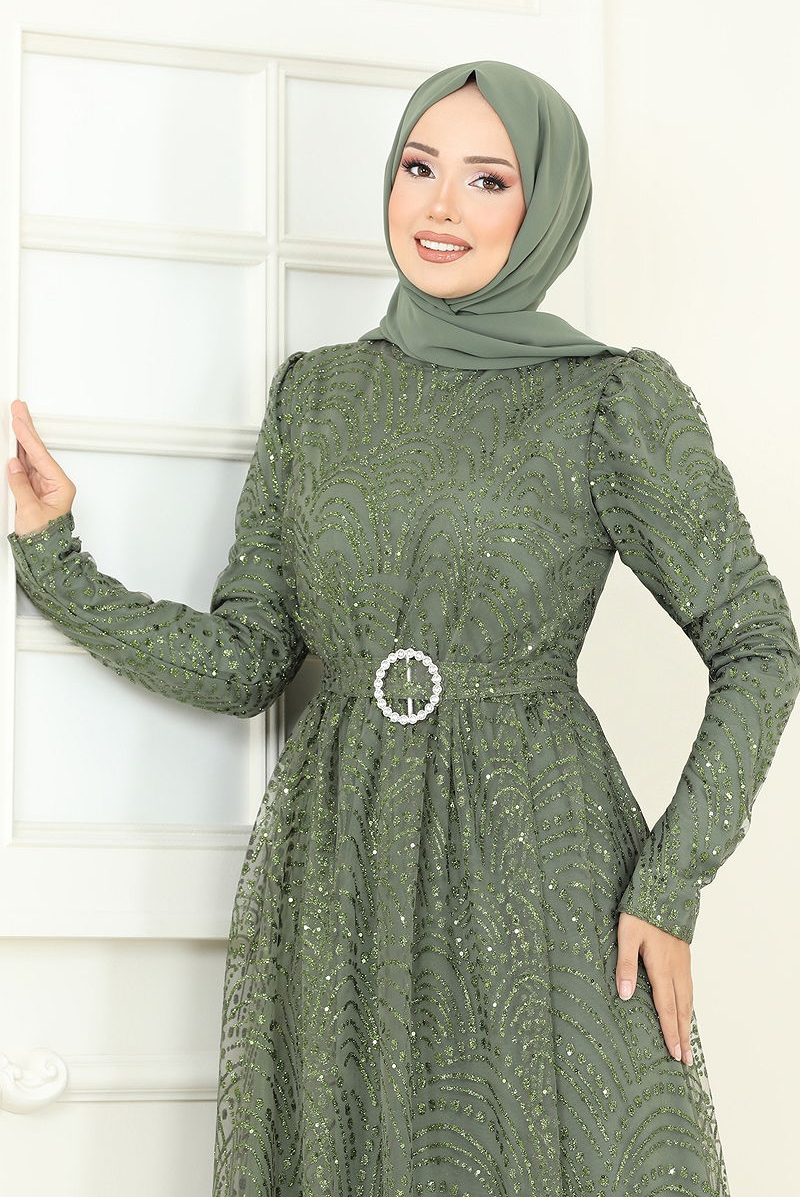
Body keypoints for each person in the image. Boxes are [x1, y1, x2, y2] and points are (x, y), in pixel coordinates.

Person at [6, 59, 799, 1197]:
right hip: (339, 867)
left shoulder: (609, 398)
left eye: (487, 180)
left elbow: (758, 643)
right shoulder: (316, 396)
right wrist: (56, 557)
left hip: (537, 868)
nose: (439, 207)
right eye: (419, 168)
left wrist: (669, 884)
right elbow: (248, 662)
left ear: (542, 208)